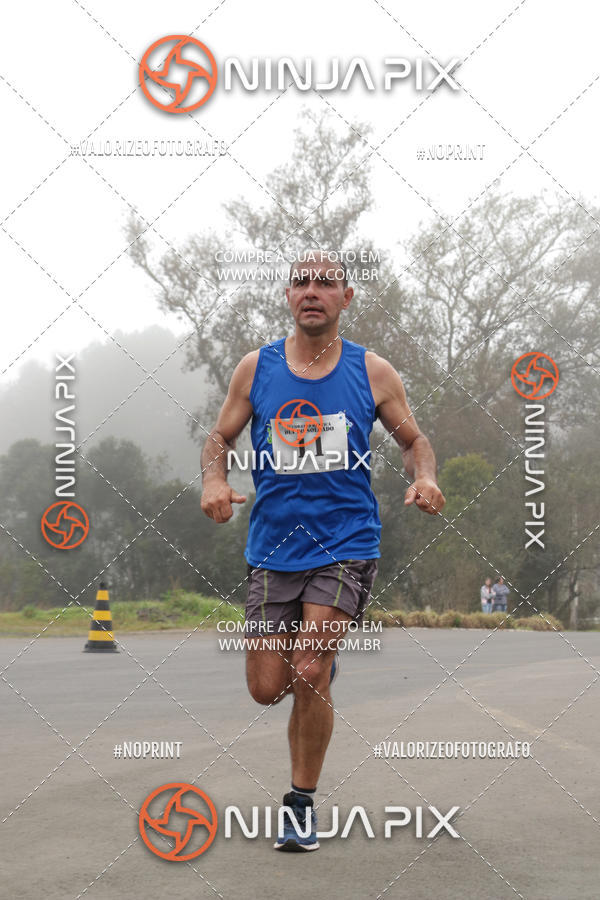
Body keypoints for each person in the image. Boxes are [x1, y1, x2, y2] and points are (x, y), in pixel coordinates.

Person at [200, 250, 446, 852]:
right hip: (273, 547)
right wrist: (213, 480)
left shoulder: (373, 371)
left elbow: (414, 441)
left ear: (346, 297)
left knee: (308, 670)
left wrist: (425, 476)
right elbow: (219, 437)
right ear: (288, 296)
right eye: (301, 282)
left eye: (326, 283)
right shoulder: (255, 368)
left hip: (345, 542)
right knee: (266, 687)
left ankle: (300, 805)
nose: (312, 290)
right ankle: (319, 665)